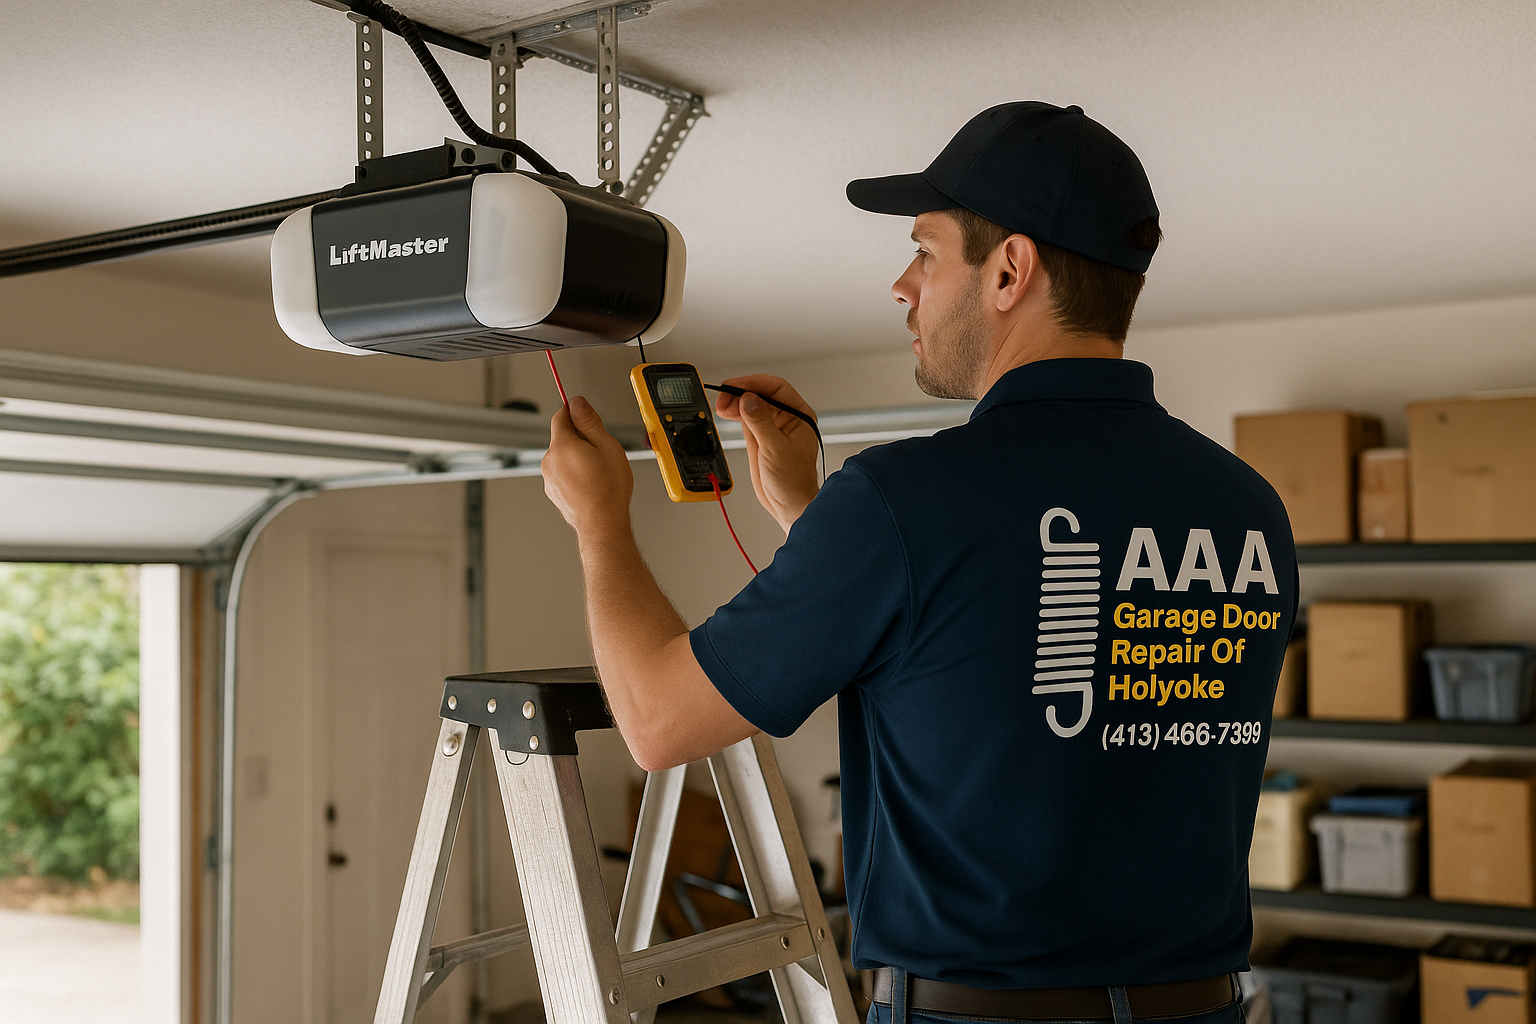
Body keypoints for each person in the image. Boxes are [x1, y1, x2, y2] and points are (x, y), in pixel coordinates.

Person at [540, 101, 1297, 1024]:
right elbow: (981, 647)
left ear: (1010, 270)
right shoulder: (1246, 507)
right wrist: (806, 513)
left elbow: (658, 722)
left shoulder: (907, 499)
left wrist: (598, 518)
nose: (903, 284)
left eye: (927, 252)